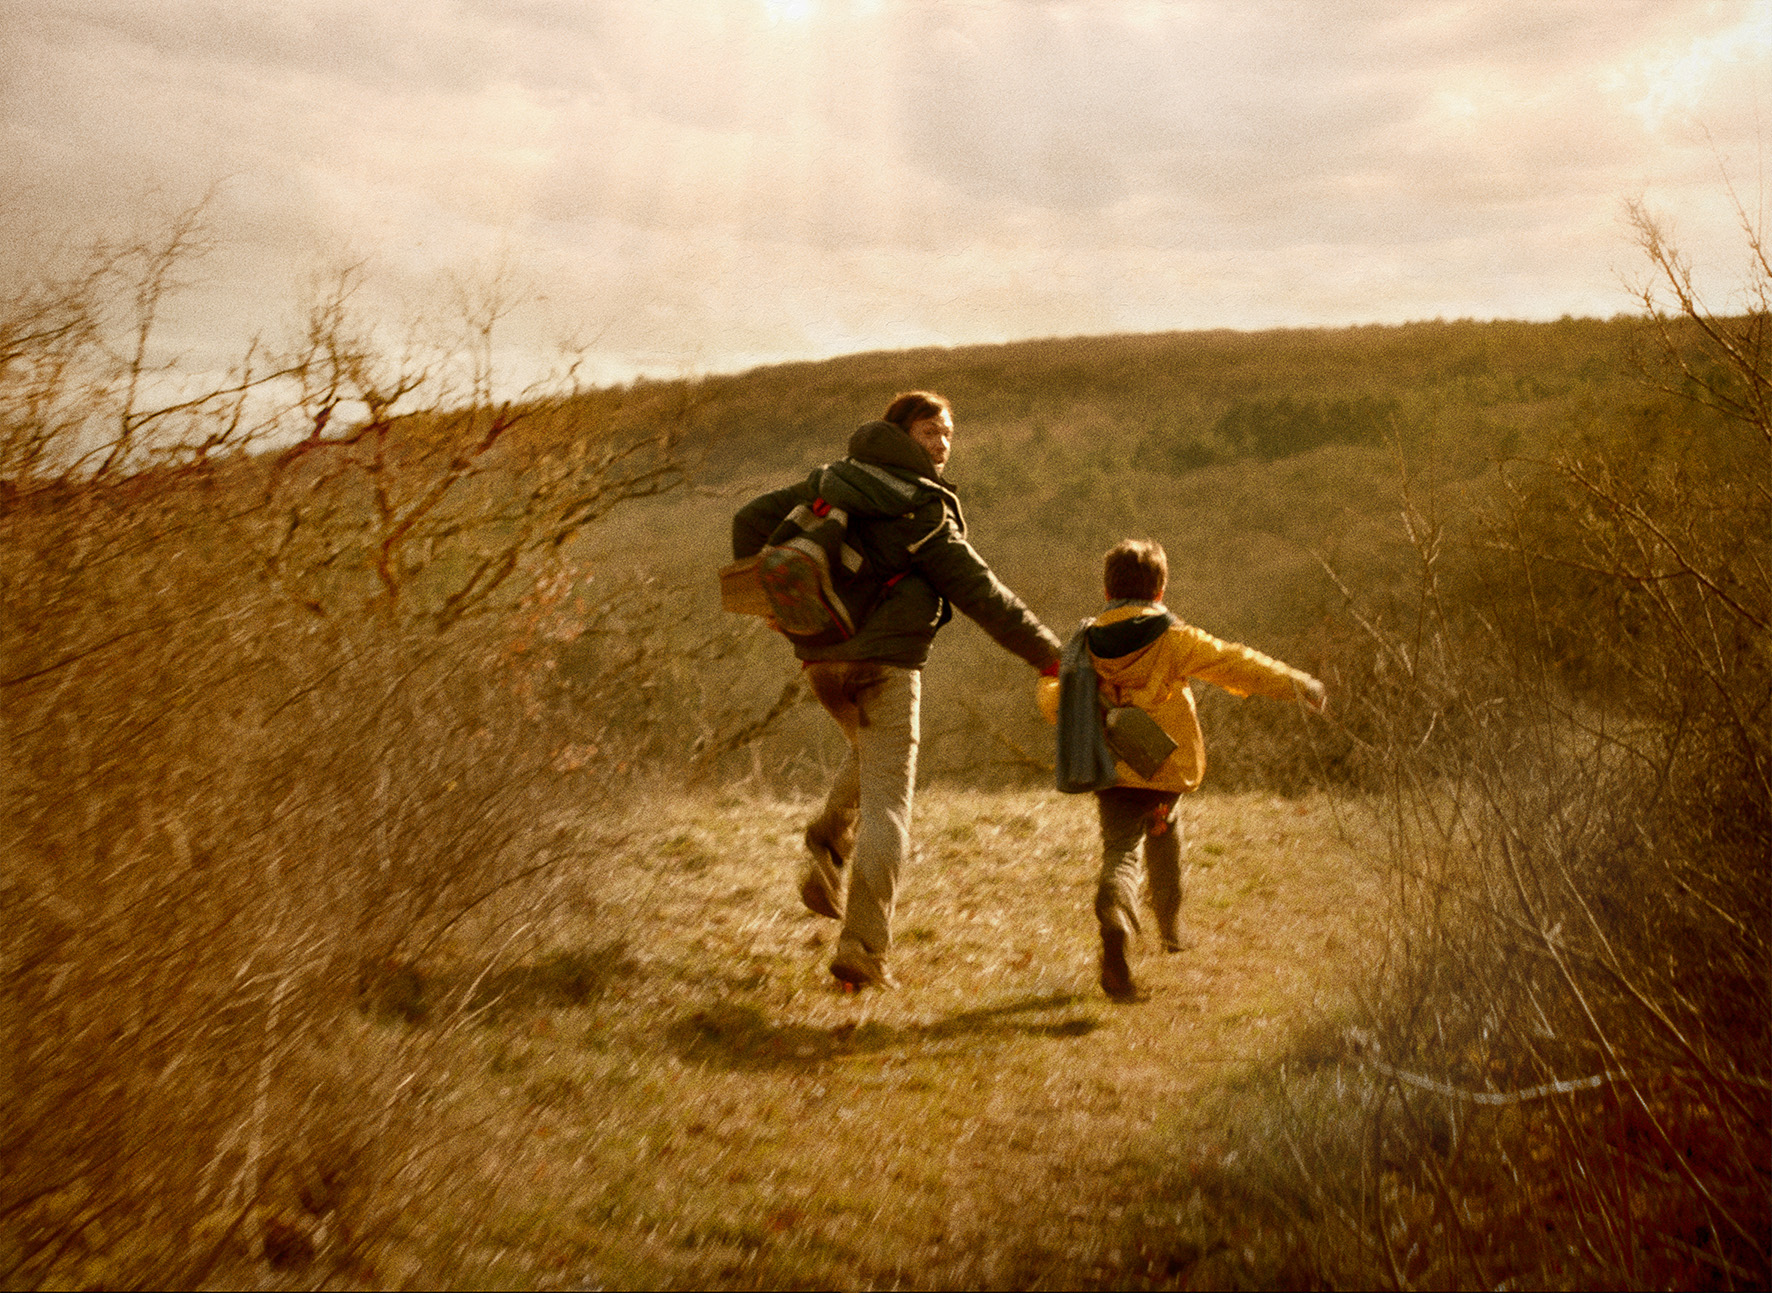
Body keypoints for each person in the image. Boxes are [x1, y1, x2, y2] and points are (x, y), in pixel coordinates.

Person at [733, 391, 1063, 989]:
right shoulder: (921, 510)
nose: (942, 443)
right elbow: (983, 593)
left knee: (869, 755)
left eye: (948, 433)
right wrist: (1049, 655)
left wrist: (773, 609)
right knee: (889, 803)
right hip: (886, 666)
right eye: (930, 431)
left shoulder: (832, 480)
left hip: (822, 660)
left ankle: (826, 844)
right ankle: (862, 949)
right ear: (902, 435)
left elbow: (749, 521)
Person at [1038, 538, 1326, 1002]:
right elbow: (1237, 663)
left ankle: (1117, 913)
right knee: (1165, 830)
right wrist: (1300, 684)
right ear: (1159, 591)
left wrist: (1052, 686)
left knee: (1121, 852)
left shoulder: (1083, 643)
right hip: (1164, 767)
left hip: (1111, 767)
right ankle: (1171, 931)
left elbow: (1056, 701)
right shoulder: (1173, 638)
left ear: (1107, 591)